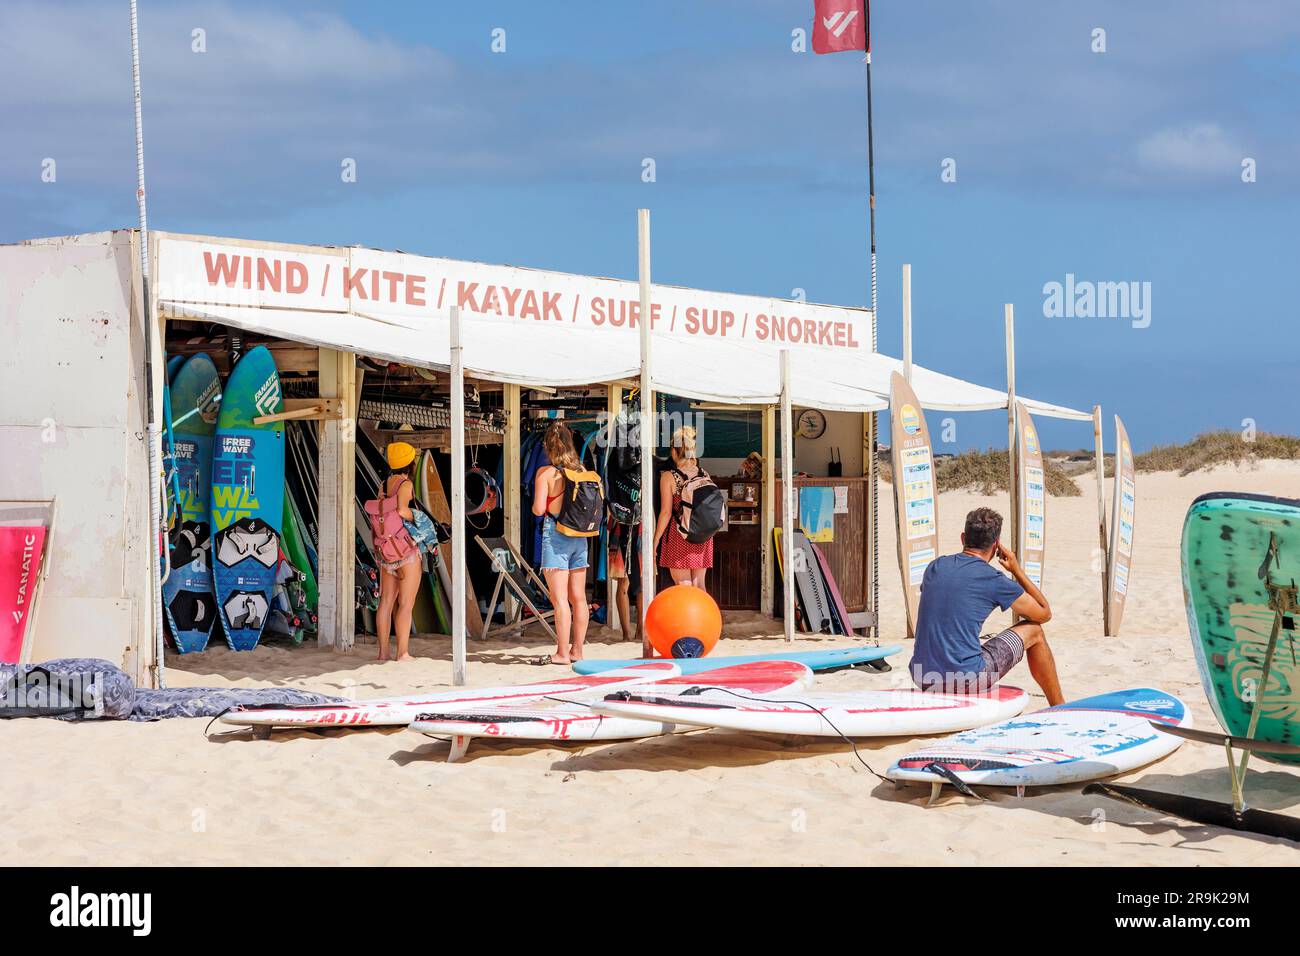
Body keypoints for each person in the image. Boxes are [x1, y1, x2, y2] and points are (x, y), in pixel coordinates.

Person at [909, 507, 1063, 705]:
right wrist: (1016, 570)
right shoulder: (993, 579)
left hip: (923, 677)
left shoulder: (935, 567)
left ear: (963, 538)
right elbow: (1044, 613)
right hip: (964, 680)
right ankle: (1058, 705)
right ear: (996, 544)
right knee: (1034, 631)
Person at [532, 423, 593, 664]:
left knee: (559, 600)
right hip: (580, 537)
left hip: (556, 536)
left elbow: (538, 509)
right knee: (579, 598)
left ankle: (561, 652)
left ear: (547, 447)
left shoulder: (545, 474)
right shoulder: (582, 470)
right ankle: (577, 650)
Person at [373, 440, 434, 663]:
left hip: (386, 551)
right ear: (410, 463)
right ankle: (403, 653)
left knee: (386, 601)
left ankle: (382, 653)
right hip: (406, 550)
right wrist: (419, 519)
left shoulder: (384, 484)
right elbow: (401, 510)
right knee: (406, 604)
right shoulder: (405, 484)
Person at [654, 425, 713, 589]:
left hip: (679, 534)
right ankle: (705, 616)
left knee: (683, 586)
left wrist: (655, 540)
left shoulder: (669, 477)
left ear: (674, 451)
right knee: (699, 585)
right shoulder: (704, 474)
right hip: (702, 535)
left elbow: (665, 512)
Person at [608, 521, 645, 650]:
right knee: (641, 582)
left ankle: (627, 634)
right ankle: (638, 632)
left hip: (622, 527)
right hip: (641, 528)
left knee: (624, 584)